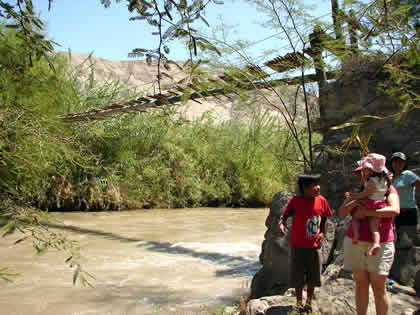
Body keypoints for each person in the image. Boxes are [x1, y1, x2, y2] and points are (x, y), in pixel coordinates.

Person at [339, 162, 400, 315]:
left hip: (382, 241)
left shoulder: (386, 190)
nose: (361, 176)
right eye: (359, 174)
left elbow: (394, 210)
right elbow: (341, 213)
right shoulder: (356, 192)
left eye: (363, 173)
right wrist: (354, 202)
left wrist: (368, 212)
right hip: (356, 242)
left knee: (379, 286)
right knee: (360, 284)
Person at [278, 174, 332, 313]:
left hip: (314, 246)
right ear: (304, 188)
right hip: (297, 245)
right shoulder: (296, 201)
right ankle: (298, 302)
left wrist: (322, 233)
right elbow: (284, 215)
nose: (318, 187)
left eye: (318, 184)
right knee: (298, 275)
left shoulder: (322, 201)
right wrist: (281, 224)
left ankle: (308, 302)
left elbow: (325, 217)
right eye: (314, 185)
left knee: (313, 276)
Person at [345, 153, 392, 256]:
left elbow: (367, 193)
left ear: (371, 170)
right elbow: (386, 191)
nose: (363, 171)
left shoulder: (371, 181)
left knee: (356, 218)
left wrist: (354, 196)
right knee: (374, 228)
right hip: (380, 203)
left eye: (364, 169)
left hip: (371, 203)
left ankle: (356, 234)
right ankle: (376, 243)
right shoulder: (385, 180)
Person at [389, 152, 420, 247]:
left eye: (401, 162)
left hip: (409, 211)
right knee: (398, 241)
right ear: (392, 163)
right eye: (395, 161)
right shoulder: (390, 178)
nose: (398, 164)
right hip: (396, 212)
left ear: (404, 164)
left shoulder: (407, 174)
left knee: (411, 241)